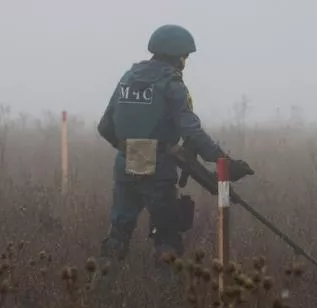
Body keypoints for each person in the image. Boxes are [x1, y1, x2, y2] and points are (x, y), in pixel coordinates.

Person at [96, 24, 254, 270]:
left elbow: (105, 127)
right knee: (166, 239)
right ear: (179, 57)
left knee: (117, 236)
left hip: (124, 164)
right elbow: (191, 131)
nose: (185, 62)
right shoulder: (172, 84)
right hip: (158, 169)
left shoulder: (128, 77)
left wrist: (130, 148)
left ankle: (97, 294)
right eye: (186, 57)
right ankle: (168, 302)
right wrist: (223, 161)